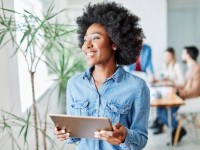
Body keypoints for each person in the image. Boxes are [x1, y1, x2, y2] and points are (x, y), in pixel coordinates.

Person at [54, 2, 150, 150]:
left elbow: (141, 139)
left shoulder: (137, 87)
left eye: (96, 38)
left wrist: (124, 136)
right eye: (85, 39)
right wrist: (65, 133)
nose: (87, 45)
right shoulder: (74, 84)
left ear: (115, 43)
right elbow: (75, 136)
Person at [157, 46, 200, 144]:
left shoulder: (197, 69)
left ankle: (178, 130)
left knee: (163, 109)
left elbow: (195, 91)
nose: (181, 55)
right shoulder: (191, 68)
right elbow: (184, 85)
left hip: (190, 101)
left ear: (188, 55)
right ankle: (178, 130)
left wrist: (177, 93)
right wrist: (172, 85)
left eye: (183, 53)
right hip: (185, 98)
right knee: (160, 108)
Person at [150, 47, 185, 134]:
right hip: (165, 92)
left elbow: (182, 82)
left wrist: (170, 82)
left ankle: (177, 129)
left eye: (168, 55)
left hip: (174, 93)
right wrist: (158, 80)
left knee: (161, 110)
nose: (166, 57)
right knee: (158, 107)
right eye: (165, 56)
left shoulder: (177, 65)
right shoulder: (164, 65)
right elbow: (163, 79)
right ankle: (161, 124)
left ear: (173, 56)